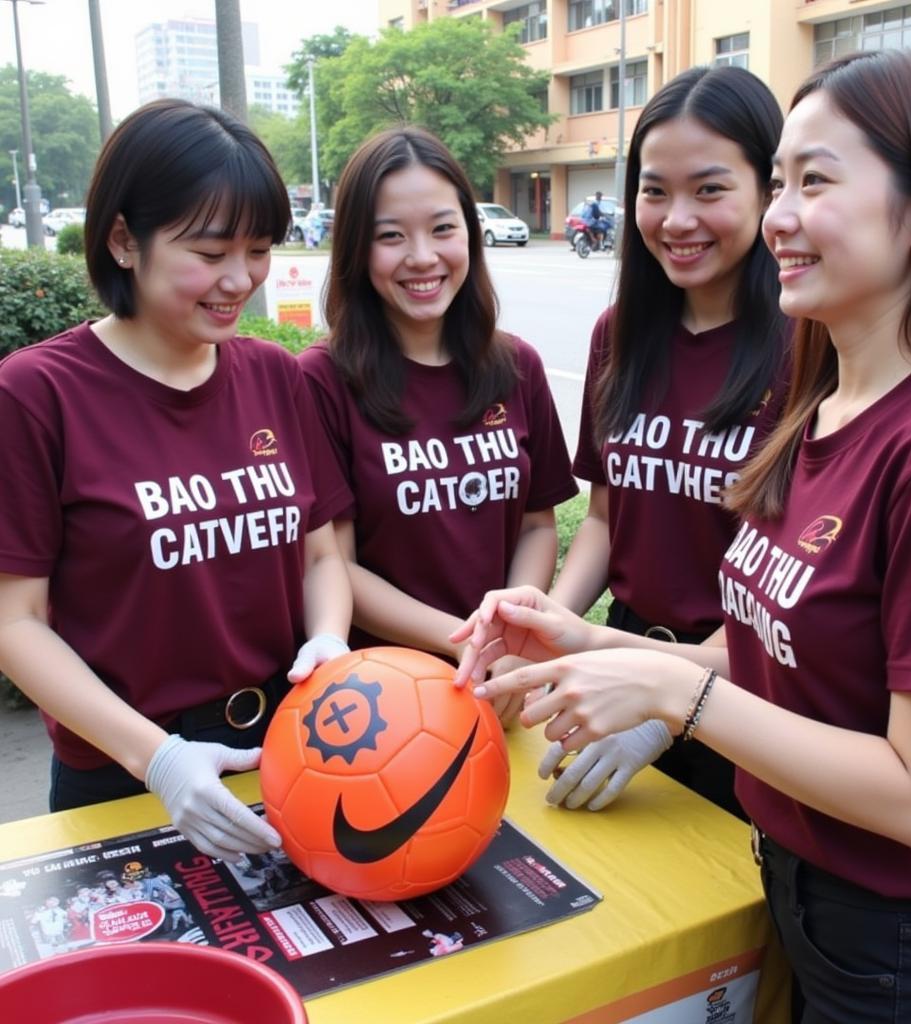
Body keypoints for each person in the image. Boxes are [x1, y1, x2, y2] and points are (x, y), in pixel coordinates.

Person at [454, 48, 911, 1023]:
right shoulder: (828, 408)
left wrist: (677, 691)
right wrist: (583, 637)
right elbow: (787, 657)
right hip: (805, 885)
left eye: (815, 181)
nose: (779, 216)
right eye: (781, 182)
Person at [0, 99, 354, 863]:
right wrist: (156, 758)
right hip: (124, 777)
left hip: (287, 752)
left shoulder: (274, 376)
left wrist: (329, 639)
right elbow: (14, 621)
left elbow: (320, 555)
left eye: (258, 249)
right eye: (210, 251)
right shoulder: (36, 394)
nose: (241, 280)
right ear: (124, 240)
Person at [547, 66, 788, 814]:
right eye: (655, 191)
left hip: (751, 689)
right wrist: (552, 623)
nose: (677, 219)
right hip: (622, 660)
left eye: (710, 189)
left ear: (768, 191)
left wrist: (667, 705)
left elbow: (798, 588)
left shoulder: (810, 348)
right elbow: (604, 518)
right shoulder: (617, 336)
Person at [298, 127, 577, 727]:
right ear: (355, 250)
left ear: (470, 236)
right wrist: (467, 644)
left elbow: (536, 524)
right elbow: (334, 563)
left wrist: (509, 632)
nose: (422, 257)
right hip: (383, 703)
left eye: (443, 229)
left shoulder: (517, 365)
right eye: (391, 236)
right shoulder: (320, 380)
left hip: (501, 688)